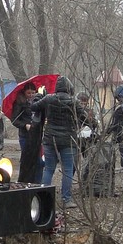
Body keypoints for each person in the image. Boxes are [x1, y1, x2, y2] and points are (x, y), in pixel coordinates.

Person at [33, 76, 79, 205]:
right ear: (69, 88)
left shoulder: (48, 99)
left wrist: (38, 96)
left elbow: (34, 107)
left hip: (50, 139)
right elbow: (84, 118)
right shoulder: (73, 102)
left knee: (48, 169)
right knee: (68, 170)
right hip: (68, 140)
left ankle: (43, 200)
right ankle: (66, 199)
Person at [10, 82, 43, 183]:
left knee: (40, 162)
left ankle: (37, 182)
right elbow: (14, 120)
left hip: (37, 136)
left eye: (33, 93)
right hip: (25, 136)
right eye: (29, 93)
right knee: (26, 161)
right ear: (24, 93)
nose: (31, 95)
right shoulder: (20, 102)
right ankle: (23, 182)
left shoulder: (39, 101)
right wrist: (25, 125)